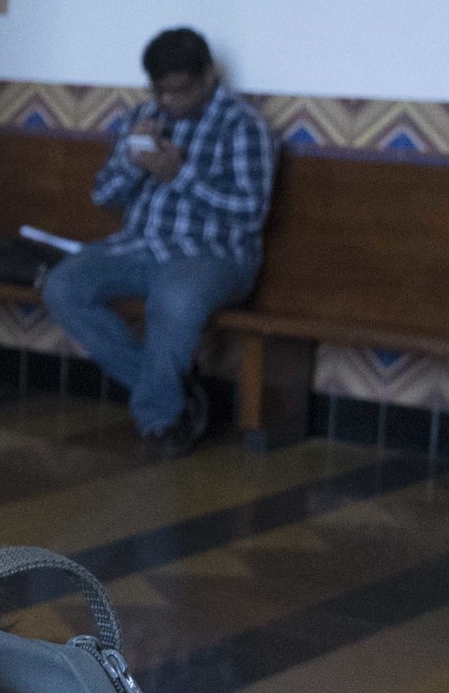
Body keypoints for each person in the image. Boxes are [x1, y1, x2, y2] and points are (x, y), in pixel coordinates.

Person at [42, 26, 275, 455]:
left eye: (180, 91)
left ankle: (161, 422)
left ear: (208, 76)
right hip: (142, 246)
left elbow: (249, 213)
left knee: (174, 298)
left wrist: (178, 175)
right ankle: (172, 393)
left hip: (215, 255)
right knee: (62, 285)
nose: (168, 102)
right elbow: (103, 197)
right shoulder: (142, 119)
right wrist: (135, 164)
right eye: (160, 91)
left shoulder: (242, 126)